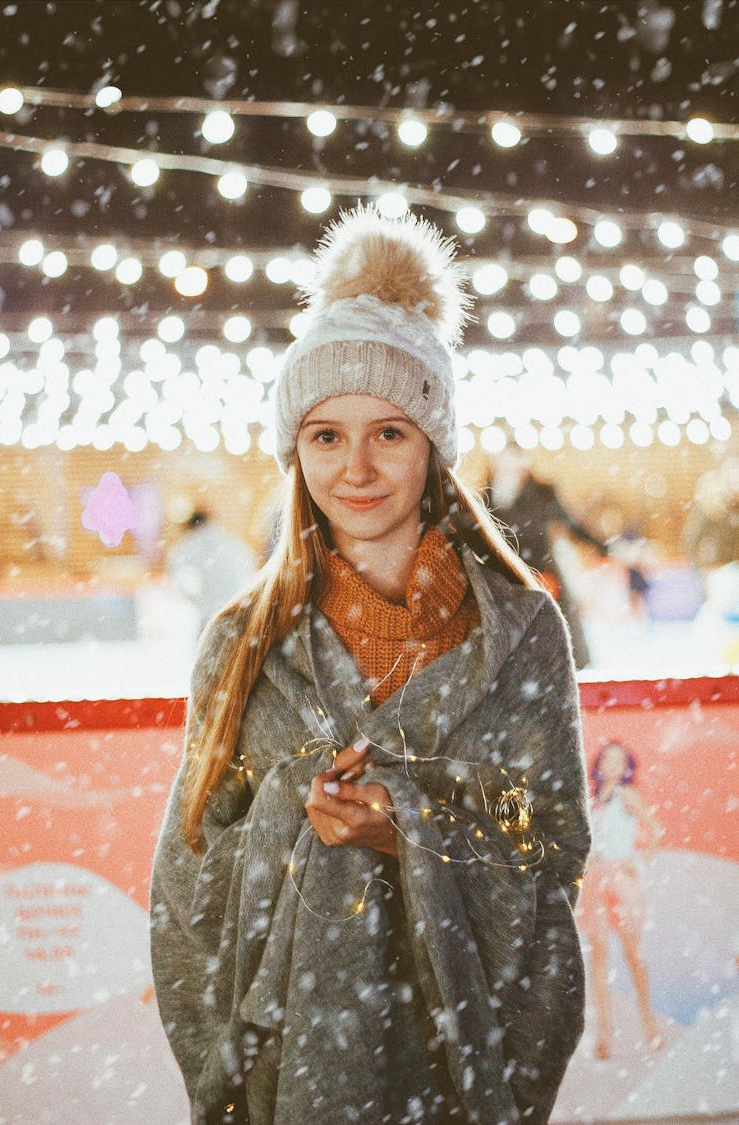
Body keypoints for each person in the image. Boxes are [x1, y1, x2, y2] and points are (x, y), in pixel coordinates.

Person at [150, 205, 591, 1125]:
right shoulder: (243, 643)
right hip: (294, 1080)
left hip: (463, 1076)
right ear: (294, 450)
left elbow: (548, 840)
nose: (356, 466)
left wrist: (414, 828)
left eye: (389, 431)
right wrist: (294, 814)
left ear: (433, 443)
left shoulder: (521, 632)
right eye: (325, 435)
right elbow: (191, 877)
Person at [484, 444, 611, 668]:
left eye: (517, 461)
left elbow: (570, 522)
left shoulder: (542, 493)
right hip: (504, 580)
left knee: (559, 634)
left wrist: (603, 547)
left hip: (543, 573)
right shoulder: (486, 496)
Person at [576, 739, 664, 1061]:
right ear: (598, 764)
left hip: (621, 879)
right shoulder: (591, 800)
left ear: (626, 766)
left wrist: (637, 860)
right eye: (607, 759)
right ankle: (606, 1034)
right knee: (599, 958)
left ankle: (650, 1025)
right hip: (595, 878)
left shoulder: (627, 796)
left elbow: (657, 830)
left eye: (619, 759)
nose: (612, 764)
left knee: (633, 955)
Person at [166, 509, 257, 632]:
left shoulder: (188, 546)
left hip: (207, 616)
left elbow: (177, 573)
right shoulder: (232, 542)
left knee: (208, 647)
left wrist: (195, 599)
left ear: (191, 525)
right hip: (234, 611)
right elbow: (250, 565)